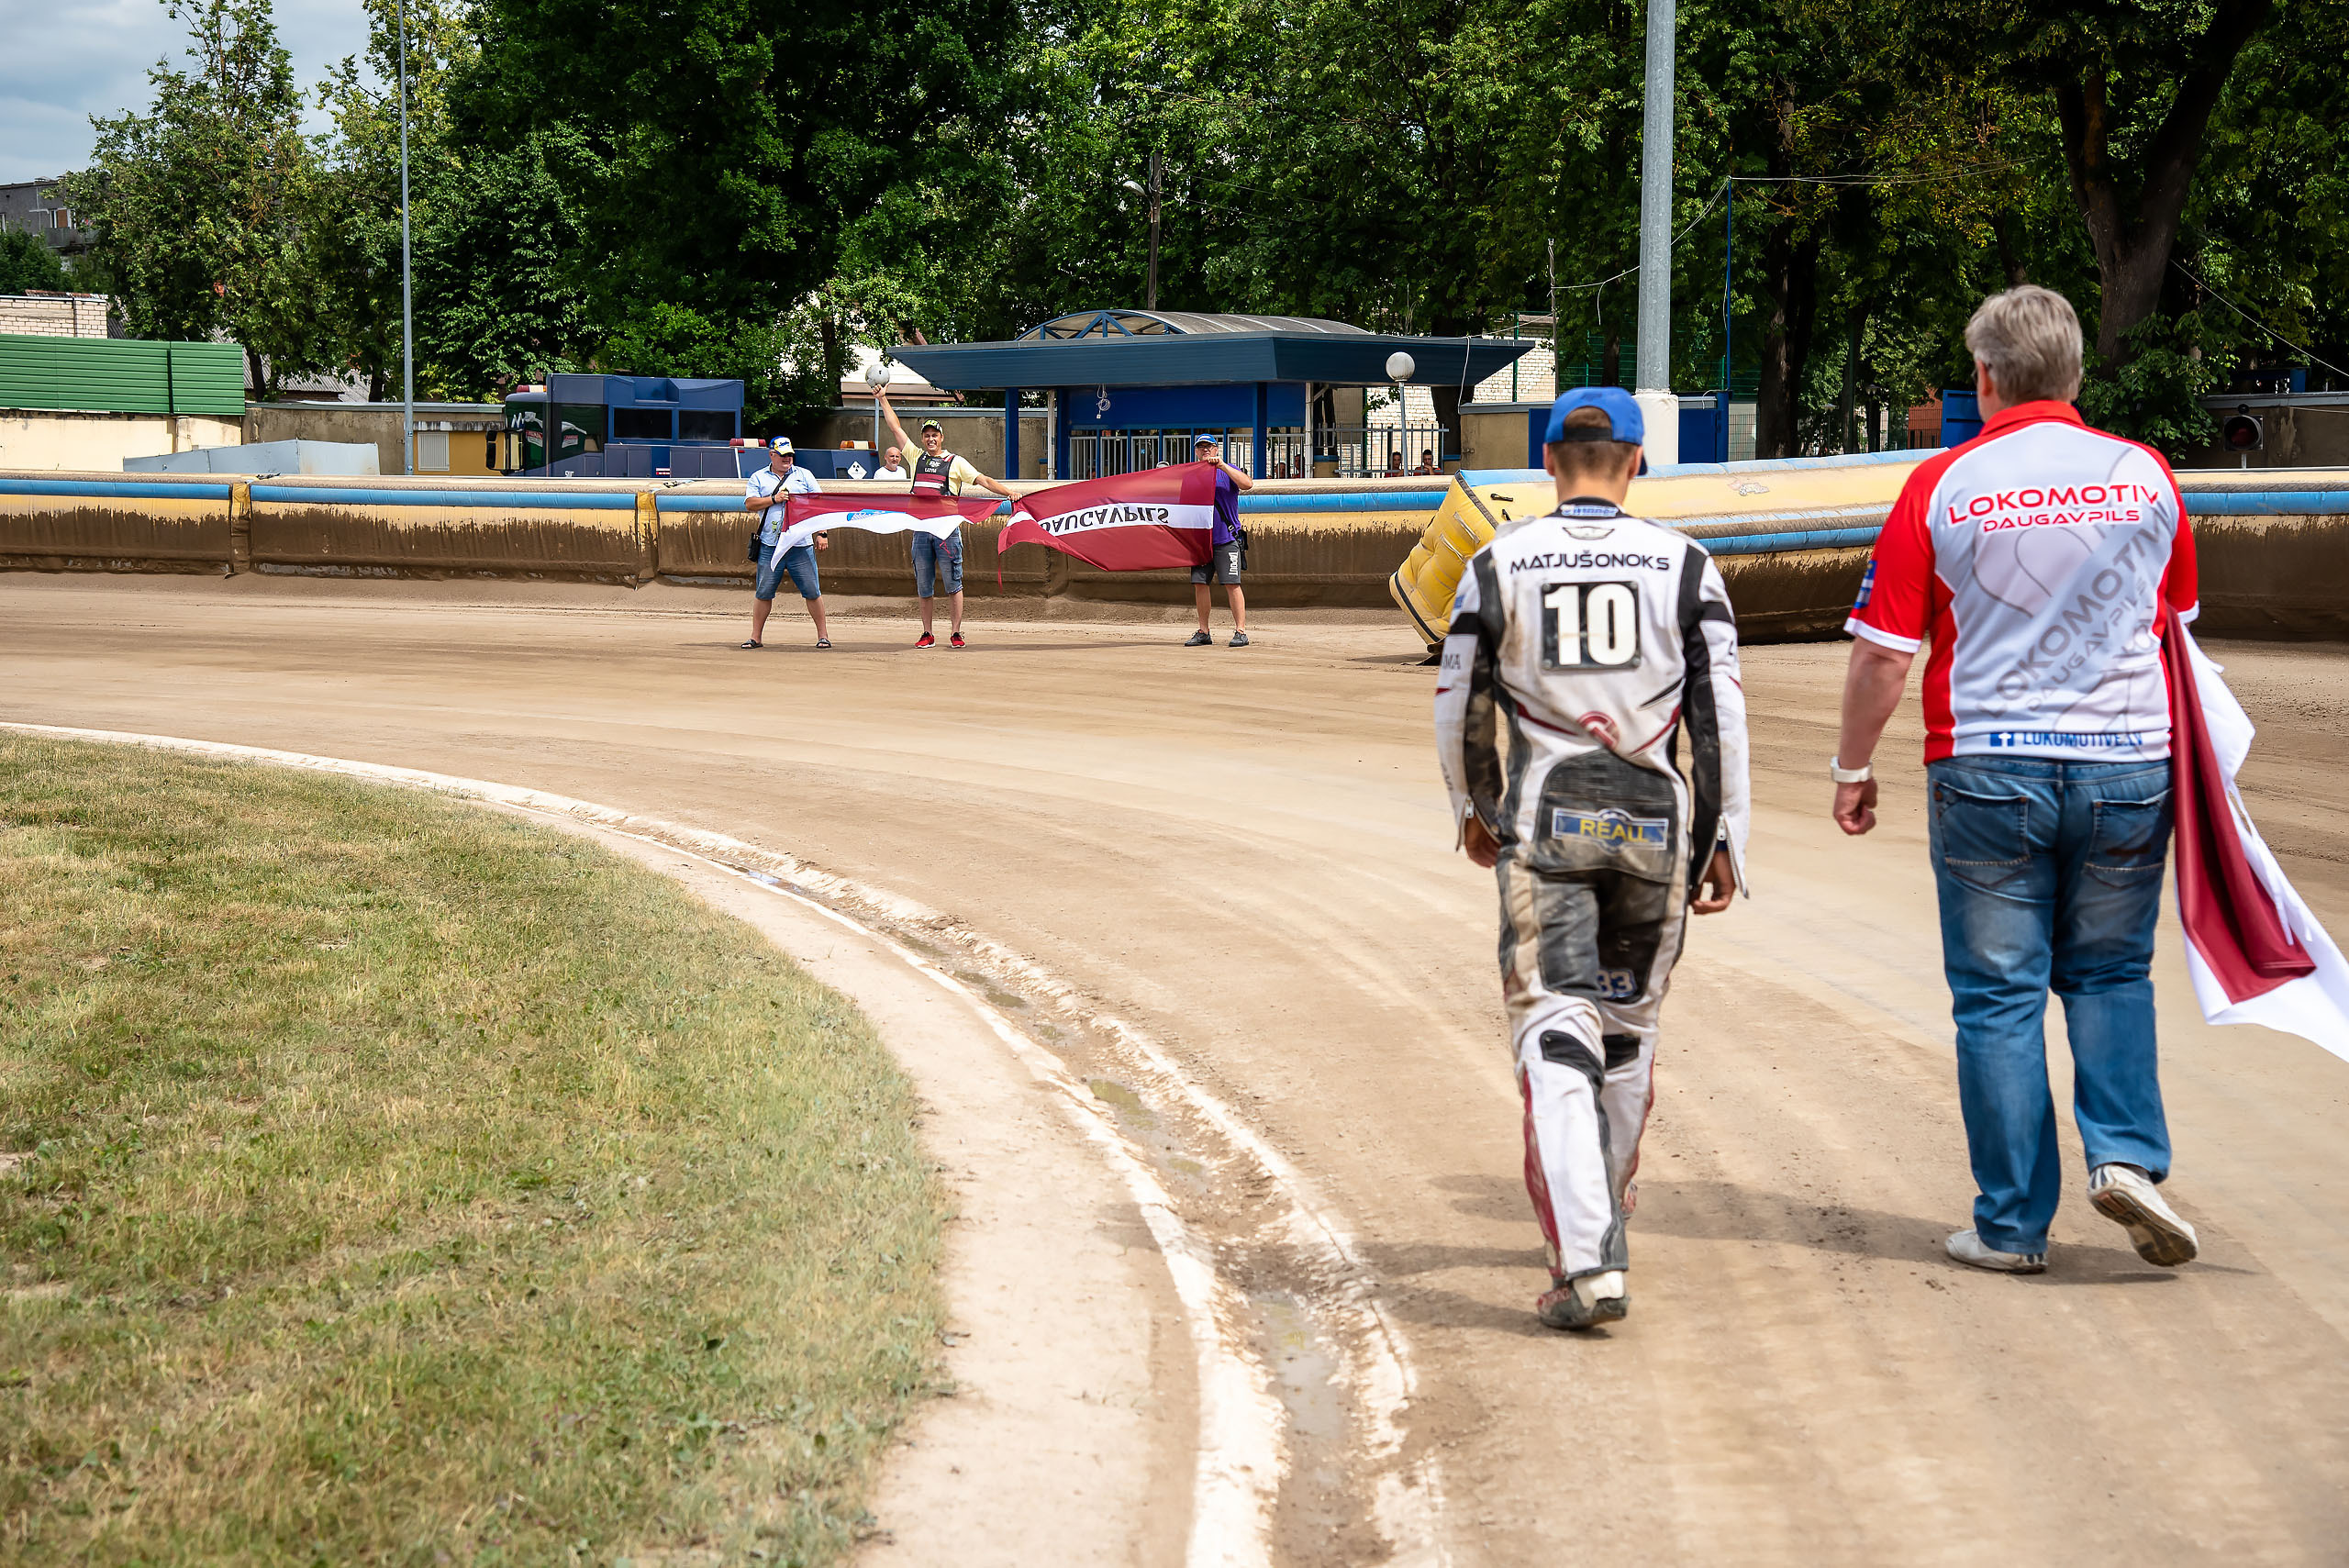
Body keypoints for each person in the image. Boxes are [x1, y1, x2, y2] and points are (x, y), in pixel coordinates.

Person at [1832, 284, 2200, 1273]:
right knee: (2112, 970)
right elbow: (2174, 621)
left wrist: (1851, 767)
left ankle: (2009, 1226)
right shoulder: (2145, 475)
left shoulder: (1942, 484)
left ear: (1984, 378)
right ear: (2076, 373)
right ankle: (2126, 1156)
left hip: (1989, 763)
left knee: (1997, 995)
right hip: (2129, 762)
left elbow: (1880, 657)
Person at [1434, 387, 1749, 1330]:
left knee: (1551, 1024)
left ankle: (1585, 1257)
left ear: (1545, 459)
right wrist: (1724, 833)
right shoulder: (1687, 566)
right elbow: (1719, 709)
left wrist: (1469, 806)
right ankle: (1599, 1229)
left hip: (1546, 815)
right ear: (1638, 461)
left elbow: (1459, 697)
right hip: (1655, 820)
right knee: (1625, 1033)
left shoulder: (1496, 561)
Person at [876, 387, 1015, 649]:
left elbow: (982, 479)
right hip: (921, 531)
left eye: (934, 435)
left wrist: (1009, 493)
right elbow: (896, 429)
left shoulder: (956, 462)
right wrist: (883, 399)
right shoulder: (915, 457)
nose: (930, 439)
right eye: (926, 435)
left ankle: (956, 632)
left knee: (953, 582)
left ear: (941, 437)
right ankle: (927, 633)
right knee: (924, 584)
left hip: (947, 532)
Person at [741, 438, 829, 650]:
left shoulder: (804, 475)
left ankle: (823, 636)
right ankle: (756, 637)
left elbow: (819, 503)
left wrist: (822, 533)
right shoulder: (758, 477)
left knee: (812, 591)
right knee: (763, 591)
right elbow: (750, 503)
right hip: (770, 544)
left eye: (790, 455)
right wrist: (774, 499)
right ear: (772, 455)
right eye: (783, 455)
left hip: (800, 544)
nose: (788, 459)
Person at [1185, 433, 1255, 648]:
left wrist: (1222, 466)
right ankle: (1203, 631)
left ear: (1216, 449)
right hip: (1201, 541)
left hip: (1226, 538)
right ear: (1196, 451)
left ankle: (1240, 631)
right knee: (1199, 583)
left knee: (1232, 584)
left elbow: (1247, 484)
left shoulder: (1228, 470)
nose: (1205, 450)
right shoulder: (1190, 475)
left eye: (1209, 446)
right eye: (1201, 447)